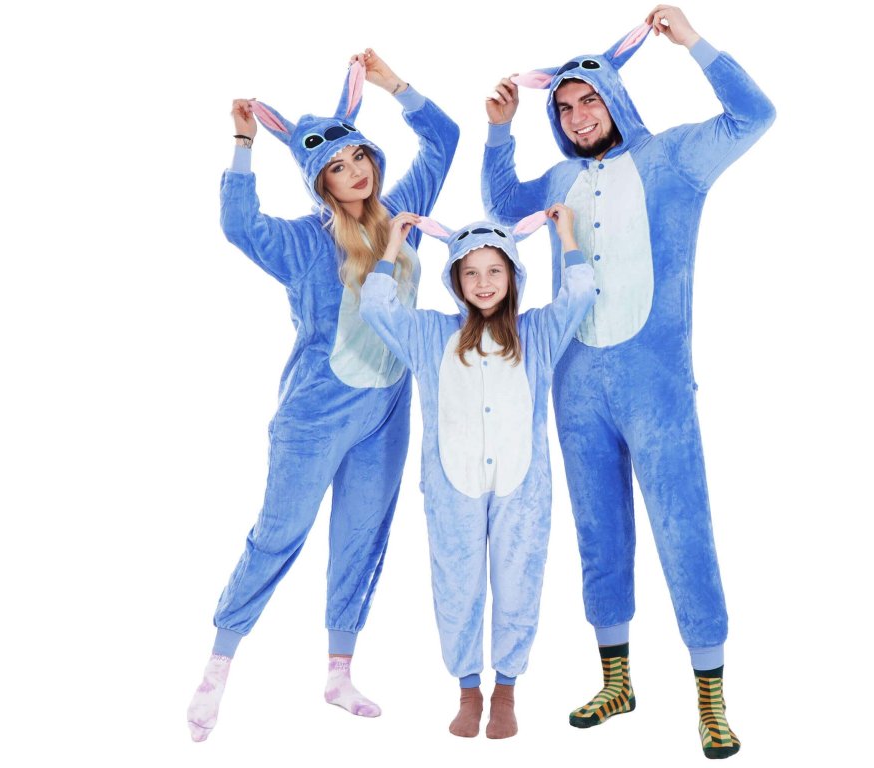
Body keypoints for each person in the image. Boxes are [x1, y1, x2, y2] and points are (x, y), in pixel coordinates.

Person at [481, 5, 774, 758]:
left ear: (615, 96)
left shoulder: (675, 158)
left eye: (590, 100)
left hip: (656, 384)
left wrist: (692, 43)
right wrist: (500, 131)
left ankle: (710, 693)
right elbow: (503, 210)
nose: (579, 116)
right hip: (576, 382)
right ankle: (617, 680)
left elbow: (755, 116)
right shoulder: (560, 177)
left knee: (683, 528)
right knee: (598, 532)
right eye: (565, 108)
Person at [186, 48, 458, 742]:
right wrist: (243, 142)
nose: (354, 170)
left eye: (358, 155)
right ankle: (218, 665)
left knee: (362, 537)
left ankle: (339, 673)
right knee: (279, 534)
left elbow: (445, 138)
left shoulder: (403, 213)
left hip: (387, 412)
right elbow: (239, 226)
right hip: (314, 416)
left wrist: (393, 82)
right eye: (336, 166)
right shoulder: (306, 244)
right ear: (319, 181)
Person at [358, 204, 595, 739]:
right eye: (470, 272)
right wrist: (392, 244)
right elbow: (376, 306)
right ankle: (468, 691)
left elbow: (580, 294)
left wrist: (566, 235)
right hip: (453, 484)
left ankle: (506, 691)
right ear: (455, 280)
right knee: (456, 586)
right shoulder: (429, 334)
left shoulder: (537, 333)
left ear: (512, 275)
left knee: (518, 583)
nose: (483, 283)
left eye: (494, 271)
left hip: (521, 485)